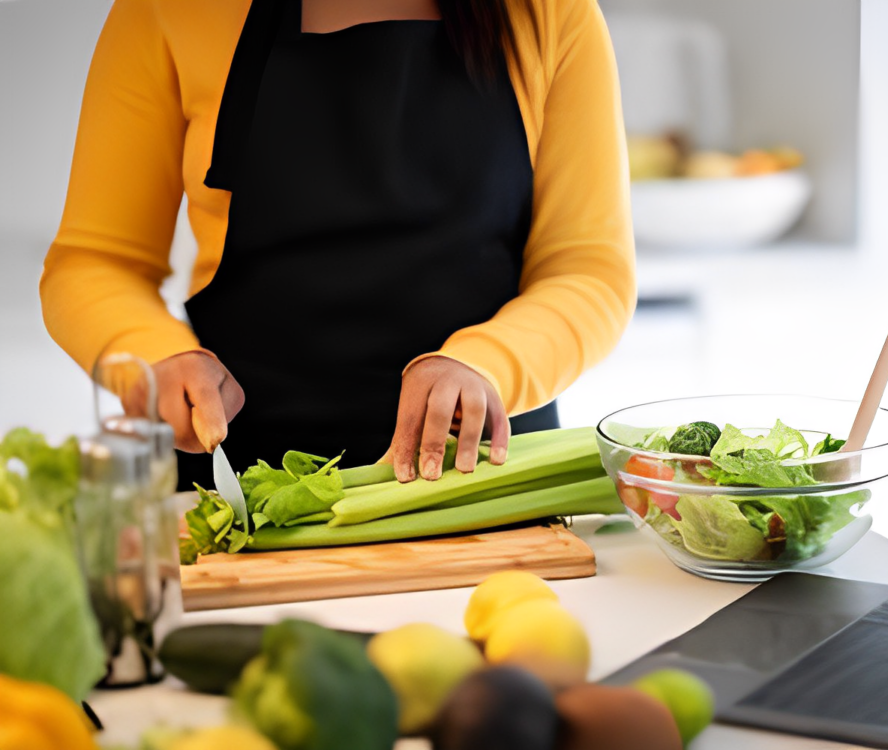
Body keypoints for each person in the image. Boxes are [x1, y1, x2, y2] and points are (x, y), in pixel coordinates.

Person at [40, 0, 635, 488]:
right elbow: (93, 264)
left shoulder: (553, 14)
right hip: (245, 484)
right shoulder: (166, 12)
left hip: (484, 481)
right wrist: (154, 357)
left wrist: (488, 364)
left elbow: (588, 270)